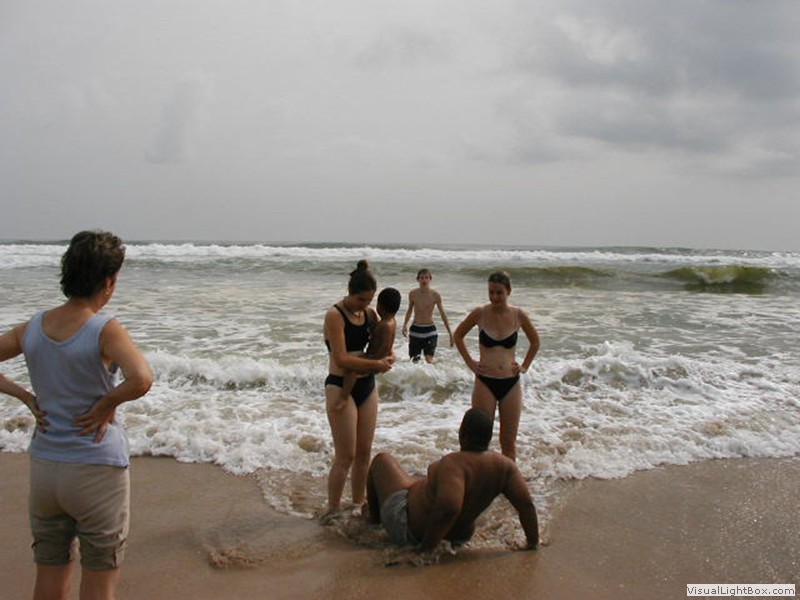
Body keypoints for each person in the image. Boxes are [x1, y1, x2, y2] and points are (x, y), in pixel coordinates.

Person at [0, 230, 153, 600]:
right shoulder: (104, 329)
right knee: (99, 581)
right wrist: (106, 404)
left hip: (45, 466)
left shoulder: (34, 326)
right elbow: (142, 378)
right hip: (95, 468)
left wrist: (25, 397)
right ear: (108, 281)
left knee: (49, 575)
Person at [366, 407, 539, 553]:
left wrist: (425, 551)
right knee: (418, 481)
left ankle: (373, 522)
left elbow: (448, 508)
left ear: (462, 434)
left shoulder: (454, 465)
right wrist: (532, 542)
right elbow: (526, 505)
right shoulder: (505, 466)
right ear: (488, 438)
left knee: (382, 460)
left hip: (410, 528)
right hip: (459, 535)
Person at [324, 260, 395, 515]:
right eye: (361, 300)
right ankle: (332, 510)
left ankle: (356, 505)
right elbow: (342, 358)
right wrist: (376, 364)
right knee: (346, 456)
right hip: (339, 384)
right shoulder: (335, 315)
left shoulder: (370, 314)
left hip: (366, 385)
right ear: (350, 293)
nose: (365, 305)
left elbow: (381, 343)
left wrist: (389, 357)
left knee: (364, 453)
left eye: (369, 300)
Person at [453, 270, 540, 461]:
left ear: (509, 291)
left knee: (508, 443)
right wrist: (470, 363)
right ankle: (479, 477)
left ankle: (509, 477)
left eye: (499, 293)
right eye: (491, 292)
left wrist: (524, 366)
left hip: (511, 384)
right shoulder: (480, 313)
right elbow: (457, 335)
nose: (494, 297)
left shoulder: (518, 315)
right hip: (485, 383)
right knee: (478, 442)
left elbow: (535, 342)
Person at [337, 287, 401, 409]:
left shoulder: (384, 325)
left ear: (380, 306)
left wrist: (373, 360)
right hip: (379, 358)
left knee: (351, 369)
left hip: (375, 358)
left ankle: (343, 397)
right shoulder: (391, 322)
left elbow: (383, 346)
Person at [401, 268, 454, 363]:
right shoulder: (413, 294)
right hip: (415, 330)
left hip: (430, 331)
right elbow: (409, 310)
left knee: (429, 359)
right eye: (421, 278)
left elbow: (442, 314)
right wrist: (405, 325)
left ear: (430, 279)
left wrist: (450, 333)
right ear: (418, 279)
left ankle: (440, 368)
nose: (424, 280)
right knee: (414, 361)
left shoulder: (435, 295)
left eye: (426, 277)